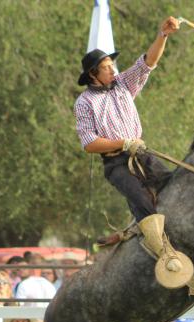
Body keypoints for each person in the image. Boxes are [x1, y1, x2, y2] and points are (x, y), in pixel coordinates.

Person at [74, 15, 181, 254]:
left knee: (175, 185)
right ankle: (165, 254)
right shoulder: (84, 102)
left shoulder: (123, 84)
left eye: (112, 65)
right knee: (141, 200)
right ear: (93, 74)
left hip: (142, 154)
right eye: (107, 67)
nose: (113, 69)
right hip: (116, 163)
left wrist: (162, 35)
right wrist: (123, 143)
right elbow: (89, 143)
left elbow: (148, 62)